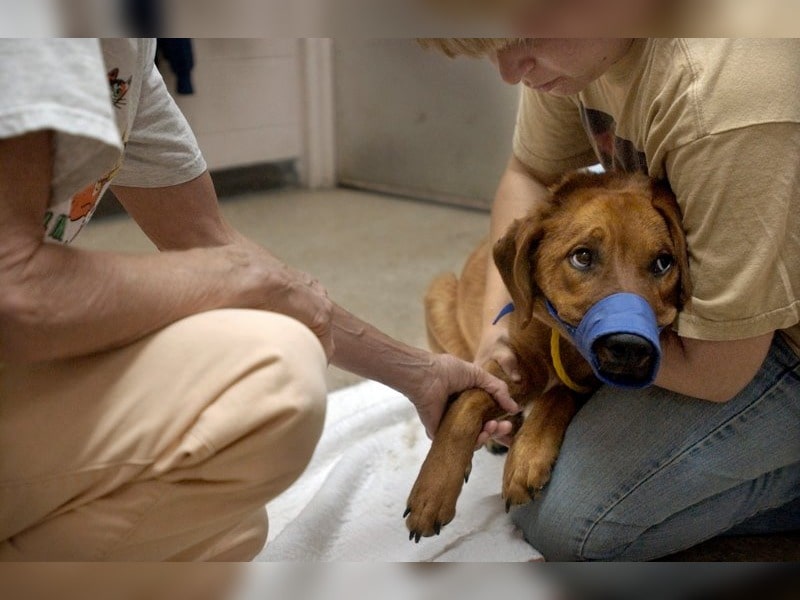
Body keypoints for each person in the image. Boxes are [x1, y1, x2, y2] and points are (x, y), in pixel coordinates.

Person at [0, 38, 517, 561]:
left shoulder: (124, 50)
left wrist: (420, 373)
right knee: (271, 371)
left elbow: (208, 238)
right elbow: (13, 289)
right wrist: (230, 276)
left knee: (227, 535)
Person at [420, 35, 800, 560]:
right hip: (725, 323)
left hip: (776, 336)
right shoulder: (568, 50)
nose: (509, 71)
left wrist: (577, 337)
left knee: (571, 526)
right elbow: (529, 170)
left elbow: (716, 372)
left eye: (526, 32)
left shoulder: (723, 103)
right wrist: (497, 328)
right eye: (497, 45)